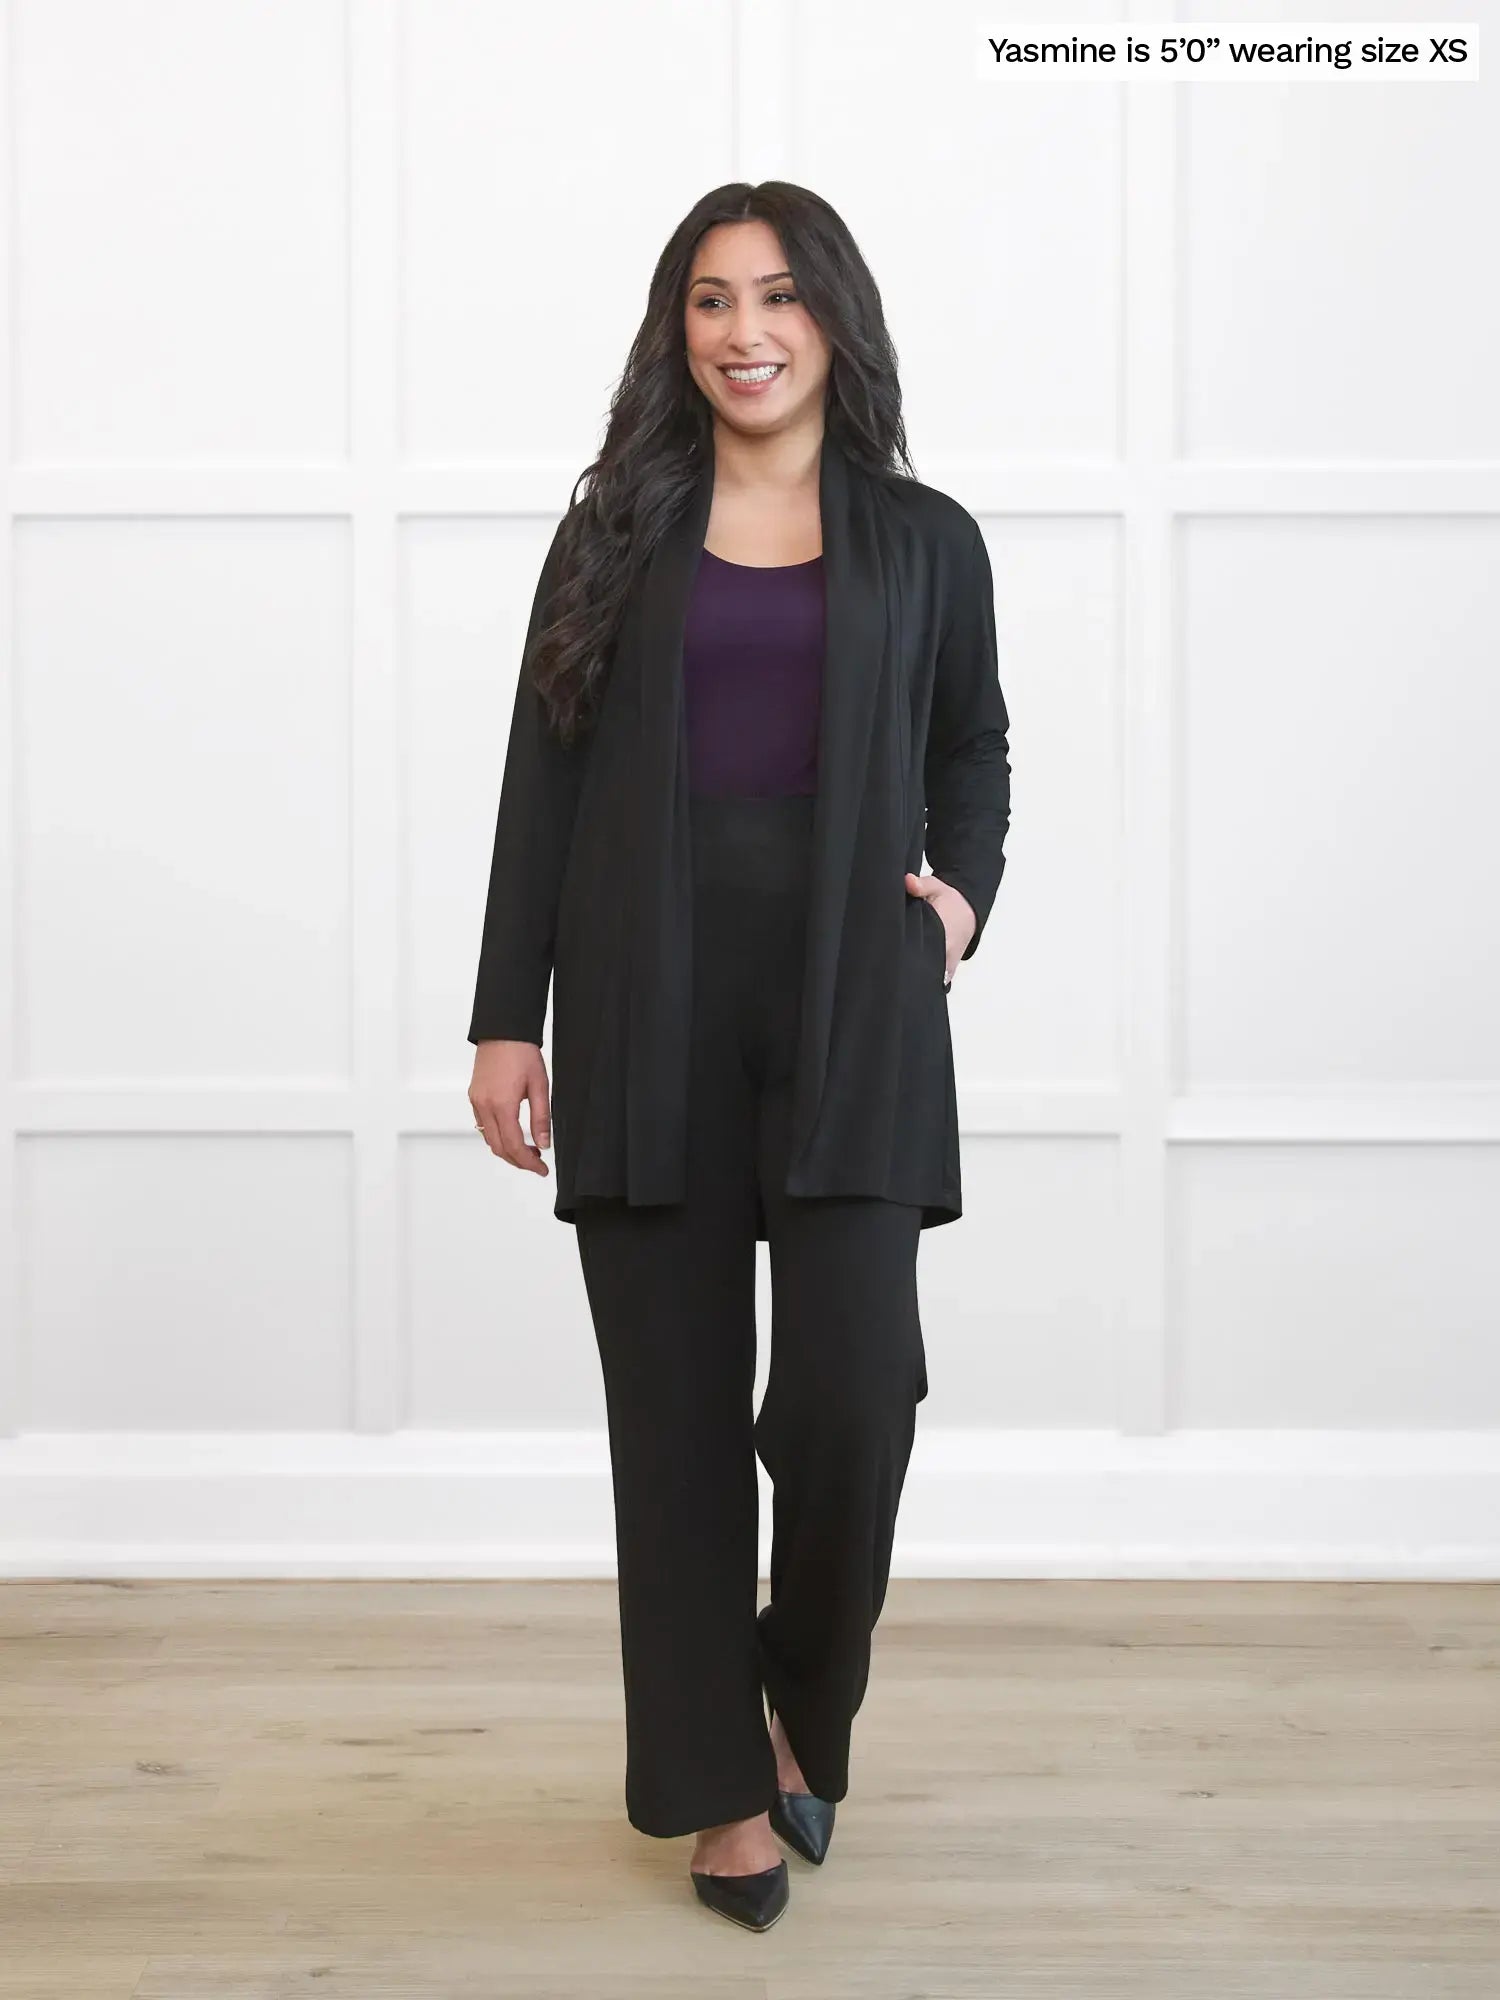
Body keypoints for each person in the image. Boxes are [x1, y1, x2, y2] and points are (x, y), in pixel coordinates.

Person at [467, 182, 1011, 1933]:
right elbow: (541, 778)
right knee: (678, 1430)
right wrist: (503, 1015)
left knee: (855, 1405)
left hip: (858, 1005)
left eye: (777, 296)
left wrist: (960, 910)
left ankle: (792, 1705)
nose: (744, 330)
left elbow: (976, 750)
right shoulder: (612, 532)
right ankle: (722, 1798)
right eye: (710, 301)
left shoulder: (928, 538)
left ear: (833, 319)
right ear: (673, 330)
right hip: (646, 1002)